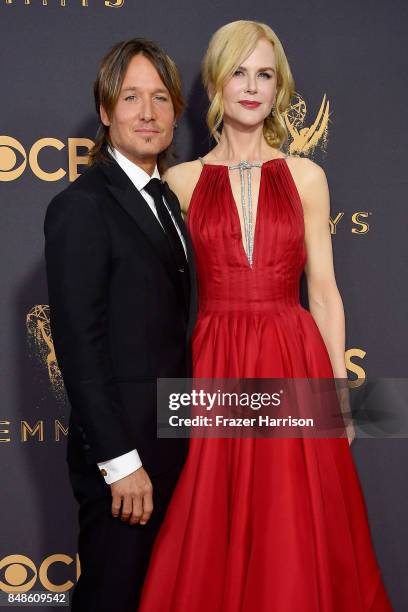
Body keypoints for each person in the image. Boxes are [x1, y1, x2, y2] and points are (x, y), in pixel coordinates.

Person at [138, 20, 392, 611]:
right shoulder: (178, 181)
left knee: (291, 517)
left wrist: (339, 397)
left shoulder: (307, 177)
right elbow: (160, 302)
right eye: (239, 73)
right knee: (210, 512)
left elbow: (324, 293)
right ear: (215, 83)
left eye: (265, 75)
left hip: (292, 354)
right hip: (213, 358)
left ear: (279, 89)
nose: (251, 87)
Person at [44, 38, 196, 611]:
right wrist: (120, 462)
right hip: (126, 459)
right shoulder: (82, 206)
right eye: (131, 97)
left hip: (176, 440)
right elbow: (78, 344)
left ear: (177, 110)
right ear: (106, 112)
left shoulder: (169, 203)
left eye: (160, 98)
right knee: (114, 595)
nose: (148, 112)